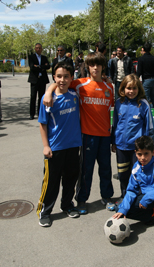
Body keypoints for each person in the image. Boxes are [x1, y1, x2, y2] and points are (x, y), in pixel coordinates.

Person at [43, 52, 115, 214]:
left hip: (105, 135)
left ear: (103, 66)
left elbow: (110, 110)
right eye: (92, 65)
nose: (95, 67)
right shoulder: (80, 84)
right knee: (86, 170)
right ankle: (81, 200)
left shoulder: (109, 87)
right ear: (87, 67)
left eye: (98, 64)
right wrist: (49, 91)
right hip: (87, 136)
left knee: (105, 168)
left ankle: (107, 197)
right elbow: (60, 82)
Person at [36, 62, 82, 227]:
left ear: (71, 78)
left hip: (73, 146)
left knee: (70, 179)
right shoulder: (48, 99)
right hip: (55, 148)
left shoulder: (74, 95)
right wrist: (46, 145)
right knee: (51, 182)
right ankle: (44, 211)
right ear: (54, 77)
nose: (62, 80)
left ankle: (67, 205)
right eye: (59, 76)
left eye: (66, 76)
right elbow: (42, 123)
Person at [112, 136, 154, 250]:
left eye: (146, 154)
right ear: (135, 153)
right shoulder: (136, 168)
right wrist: (123, 209)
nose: (143, 158)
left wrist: (148, 197)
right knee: (119, 208)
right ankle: (151, 215)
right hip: (146, 199)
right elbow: (131, 190)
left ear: (153, 152)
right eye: (139, 154)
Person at [111, 74, 154, 203]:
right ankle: (124, 195)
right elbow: (115, 124)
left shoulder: (144, 104)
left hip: (137, 149)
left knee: (138, 174)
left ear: (139, 89)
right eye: (128, 88)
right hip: (120, 146)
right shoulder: (119, 103)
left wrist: (148, 148)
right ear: (123, 89)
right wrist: (113, 142)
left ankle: (138, 197)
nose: (131, 91)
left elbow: (150, 127)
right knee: (123, 174)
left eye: (134, 88)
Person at [137, 43, 154, 108]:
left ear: (143, 49)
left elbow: (139, 71)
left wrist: (136, 79)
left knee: (146, 98)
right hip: (153, 79)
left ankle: (149, 112)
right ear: (150, 50)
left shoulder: (141, 59)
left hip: (146, 80)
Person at [27, 43, 50, 120]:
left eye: (40, 48)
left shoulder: (44, 57)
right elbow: (32, 67)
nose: (38, 49)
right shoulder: (31, 57)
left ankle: (40, 113)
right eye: (37, 48)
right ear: (35, 49)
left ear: (42, 49)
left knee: (41, 97)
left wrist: (39, 66)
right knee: (33, 97)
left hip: (42, 80)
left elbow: (48, 66)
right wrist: (42, 67)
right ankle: (32, 114)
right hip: (34, 80)